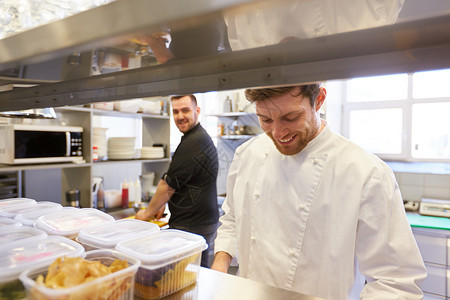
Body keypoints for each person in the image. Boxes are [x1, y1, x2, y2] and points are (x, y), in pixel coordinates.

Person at [211, 84, 427, 299]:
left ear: (319, 100)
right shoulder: (248, 154)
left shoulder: (365, 172)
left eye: (290, 117)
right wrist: (220, 267)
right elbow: (232, 219)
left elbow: (395, 282)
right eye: (265, 119)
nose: (277, 132)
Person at [136, 94, 219, 268]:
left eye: (185, 110)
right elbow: (181, 179)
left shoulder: (194, 142)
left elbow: (168, 185)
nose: (180, 116)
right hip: (199, 221)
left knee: (186, 277)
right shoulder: (195, 138)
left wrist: (146, 213)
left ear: (197, 111)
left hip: (193, 225)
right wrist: (160, 205)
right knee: (192, 275)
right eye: (176, 112)